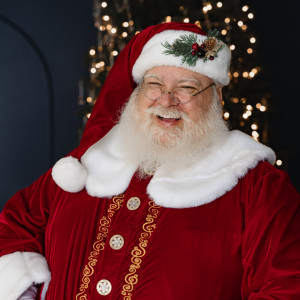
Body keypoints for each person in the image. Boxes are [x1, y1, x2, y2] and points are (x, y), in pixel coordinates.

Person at [0, 22, 299, 300]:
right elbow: (14, 226)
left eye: (187, 87)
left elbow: (287, 285)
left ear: (216, 94)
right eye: (154, 84)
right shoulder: (87, 162)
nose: (166, 101)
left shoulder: (258, 185)